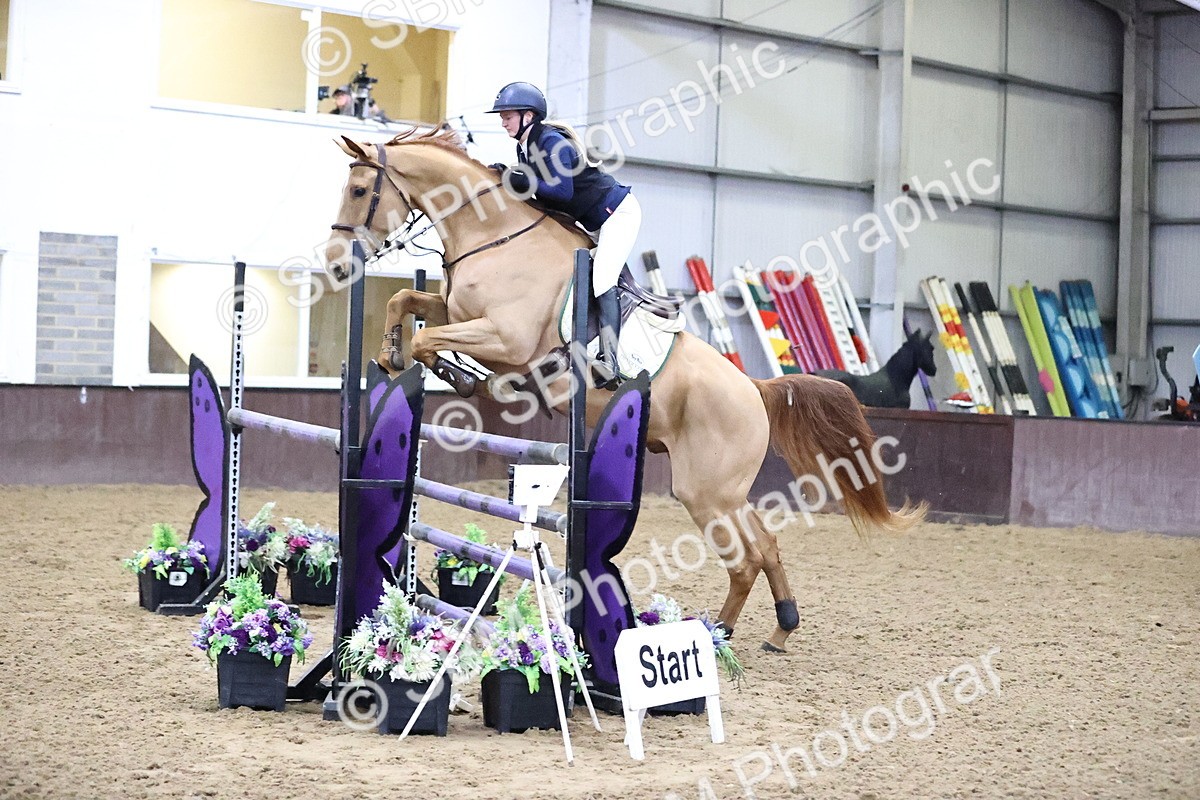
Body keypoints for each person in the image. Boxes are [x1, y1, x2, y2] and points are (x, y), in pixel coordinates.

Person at [485, 81, 640, 389]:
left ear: (528, 115)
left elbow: (562, 191)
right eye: (501, 115)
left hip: (617, 214)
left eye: (508, 115)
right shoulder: (525, 146)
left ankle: (610, 361)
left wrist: (521, 179)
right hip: (592, 221)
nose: (503, 121)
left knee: (603, 279)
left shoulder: (551, 142)